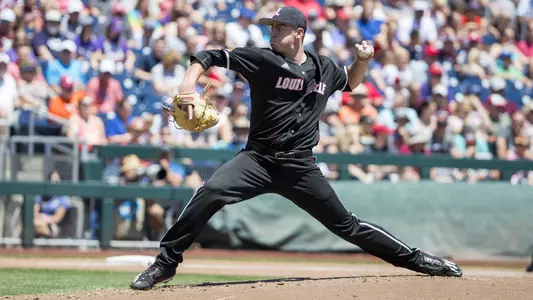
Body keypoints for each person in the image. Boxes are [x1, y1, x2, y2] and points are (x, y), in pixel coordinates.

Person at [130, 6, 463, 290]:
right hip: (257, 159)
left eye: (280, 27)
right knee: (211, 190)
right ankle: (165, 262)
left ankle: (419, 260)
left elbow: (351, 82)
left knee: (347, 225)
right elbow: (209, 55)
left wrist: (362, 60)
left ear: (299, 33)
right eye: (271, 27)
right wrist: (188, 85)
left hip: (300, 166)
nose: (272, 33)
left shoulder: (325, 67)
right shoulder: (262, 60)